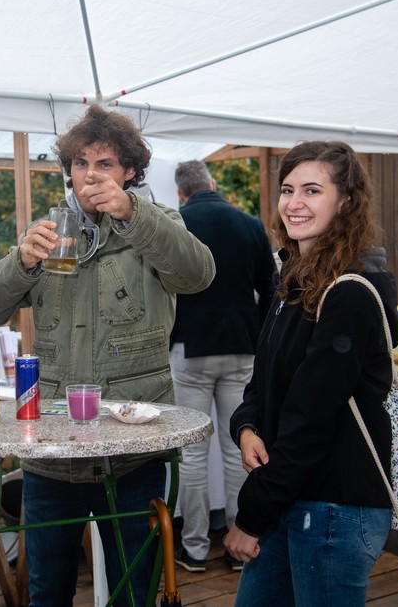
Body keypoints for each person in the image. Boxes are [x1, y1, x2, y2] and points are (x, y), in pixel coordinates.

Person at [0, 104, 215, 606]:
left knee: (133, 591)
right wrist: (21, 262)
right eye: (81, 163)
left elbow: (199, 274)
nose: (90, 175)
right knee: (47, 594)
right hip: (51, 453)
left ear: (129, 171)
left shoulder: (157, 223)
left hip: (131, 452)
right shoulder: (48, 231)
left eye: (105, 164)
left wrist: (132, 213)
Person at [225, 141, 398, 606]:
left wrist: (252, 515)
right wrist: (246, 426)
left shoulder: (349, 294)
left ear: (346, 202)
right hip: (289, 495)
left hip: (333, 509)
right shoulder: (293, 281)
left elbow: (310, 418)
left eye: (312, 190)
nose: (294, 203)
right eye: (287, 189)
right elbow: (263, 382)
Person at [169, 160, 275, 573]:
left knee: (193, 456)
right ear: (213, 184)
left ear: (181, 194)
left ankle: (194, 548)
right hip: (242, 347)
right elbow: (271, 289)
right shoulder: (250, 224)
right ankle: (238, 545)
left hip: (191, 347)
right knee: (240, 450)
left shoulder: (177, 224)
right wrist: (260, 336)